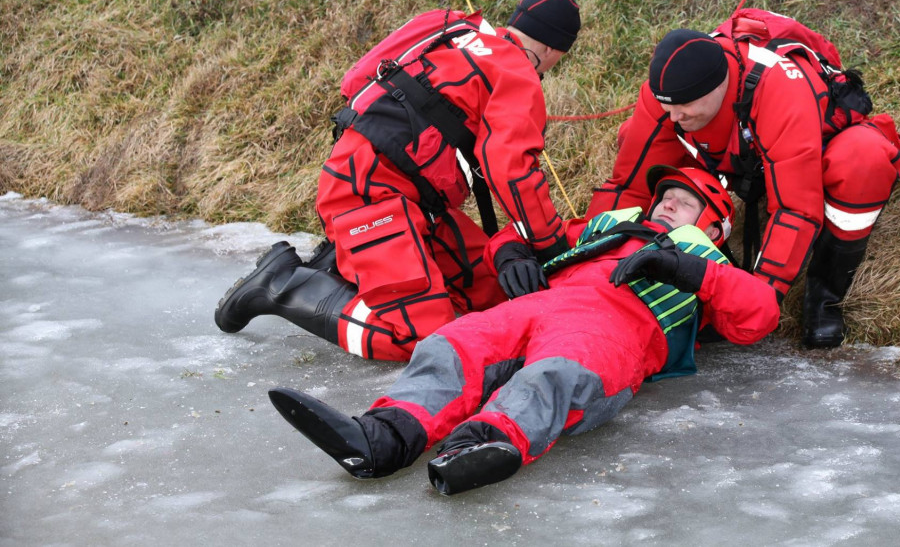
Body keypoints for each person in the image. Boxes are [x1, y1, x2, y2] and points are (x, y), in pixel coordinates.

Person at [267, 165, 780, 495]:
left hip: (616, 327)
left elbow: (759, 316)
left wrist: (691, 271)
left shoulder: (710, 261)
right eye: (665, 195)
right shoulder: (608, 227)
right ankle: (382, 437)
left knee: (557, 374)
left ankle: (480, 446)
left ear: (715, 227)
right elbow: (533, 233)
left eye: (685, 202)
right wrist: (509, 251)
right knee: (454, 344)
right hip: (539, 305)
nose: (668, 203)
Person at [215, 0, 582, 361]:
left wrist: (509, 250)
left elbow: (355, 81)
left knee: (490, 294)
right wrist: (549, 244)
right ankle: (283, 286)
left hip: (400, 195)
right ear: (554, 52)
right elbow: (511, 168)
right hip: (372, 197)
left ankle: (345, 266)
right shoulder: (517, 72)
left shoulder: (451, 27)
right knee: (426, 342)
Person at [587, 17, 900, 348]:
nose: (673, 117)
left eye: (683, 108)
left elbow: (795, 209)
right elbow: (629, 185)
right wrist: (588, 264)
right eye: (666, 106)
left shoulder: (781, 88)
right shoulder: (672, 92)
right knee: (632, 136)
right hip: (738, 148)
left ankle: (824, 298)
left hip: (805, 145)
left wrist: (758, 298)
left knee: (862, 161)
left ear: (717, 87)